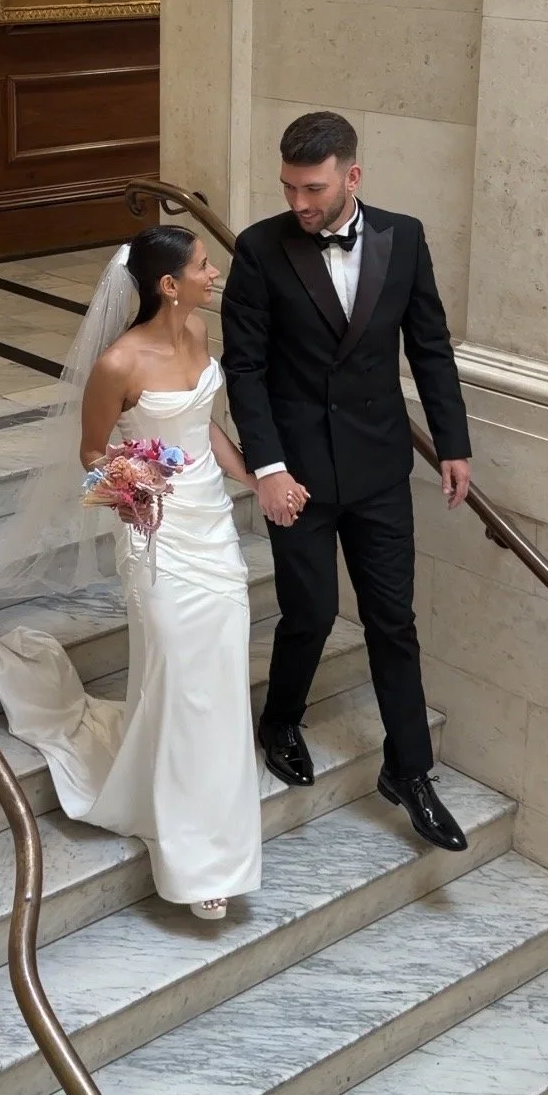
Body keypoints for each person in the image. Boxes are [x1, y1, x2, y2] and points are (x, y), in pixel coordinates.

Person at [0, 226, 262, 921]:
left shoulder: (198, 335)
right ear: (167, 285)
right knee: (179, 676)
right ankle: (190, 856)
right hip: (157, 538)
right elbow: (90, 453)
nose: (213, 272)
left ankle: (216, 824)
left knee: (218, 675)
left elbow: (205, 423)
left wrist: (250, 476)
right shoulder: (117, 364)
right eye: (202, 266)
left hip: (212, 530)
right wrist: (141, 498)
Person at [221, 109, 473, 853]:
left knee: (394, 619)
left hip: (379, 468)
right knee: (312, 612)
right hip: (294, 473)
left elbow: (429, 347)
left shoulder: (405, 236)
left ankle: (410, 771)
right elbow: (245, 367)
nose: (300, 202)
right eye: (291, 187)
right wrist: (266, 468)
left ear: (352, 177)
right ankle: (280, 718)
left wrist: (452, 442)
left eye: (314, 188)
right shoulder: (261, 250)